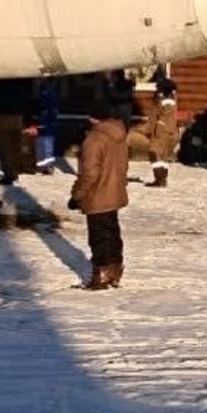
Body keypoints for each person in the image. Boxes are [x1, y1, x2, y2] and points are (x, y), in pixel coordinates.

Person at [69, 97, 129, 290]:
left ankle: (101, 274)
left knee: (99, 237)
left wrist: (77, 195)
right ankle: (114, 270)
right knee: (112, 233)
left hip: (98, 195)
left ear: (92, 117)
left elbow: (90, 173)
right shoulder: (118, 134)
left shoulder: (94, 139)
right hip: (114, 193)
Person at [0, 77, 33, 186]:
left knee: (5, 148)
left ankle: (9, 174)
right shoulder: (21, 84)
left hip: (1, 117)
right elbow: (27, 101)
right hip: (17, 117)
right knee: (16, 146)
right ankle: (16, 170)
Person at [146, 67, 179, 187]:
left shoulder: (166, 100)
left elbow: (164, 115)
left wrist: (158, 128)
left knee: (154, 152)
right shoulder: (171, 97)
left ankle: (159, 179)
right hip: (168, 130)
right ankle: (162, 179)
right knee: (163, 155)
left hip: (162, 130)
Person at [35, 77, 61, 173]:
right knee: (45, 144)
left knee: (44, 144)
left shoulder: (45, 92)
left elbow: (52, 108)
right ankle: (45, 165)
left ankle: (45, 165)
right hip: (46, 122)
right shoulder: (46, 92)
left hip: (45, 121)